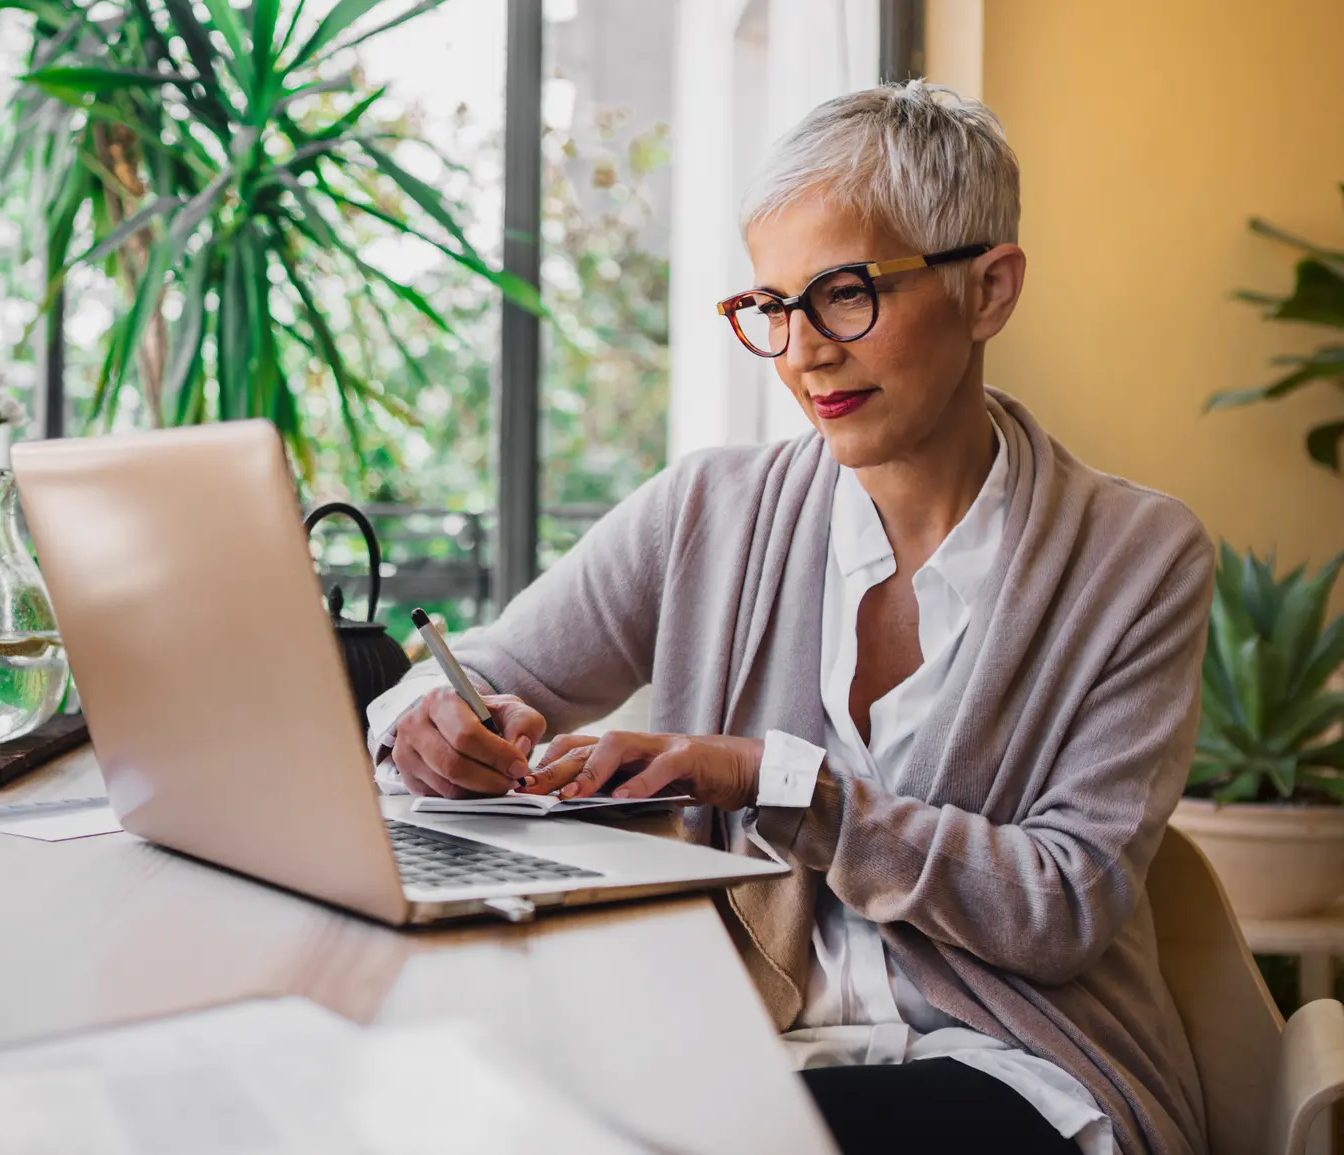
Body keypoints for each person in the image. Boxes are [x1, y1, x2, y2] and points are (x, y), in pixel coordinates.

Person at [365, 81, 1211, 1155]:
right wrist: (430, 722)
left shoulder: (1133, 558)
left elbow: (1062, 903)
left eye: (845, 293)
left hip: (1017, 1066)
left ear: (987, 291)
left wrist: (763, 780)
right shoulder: (707, 512)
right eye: (770, 305)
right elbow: (473, 670)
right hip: (733, 1041)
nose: (803, 349)